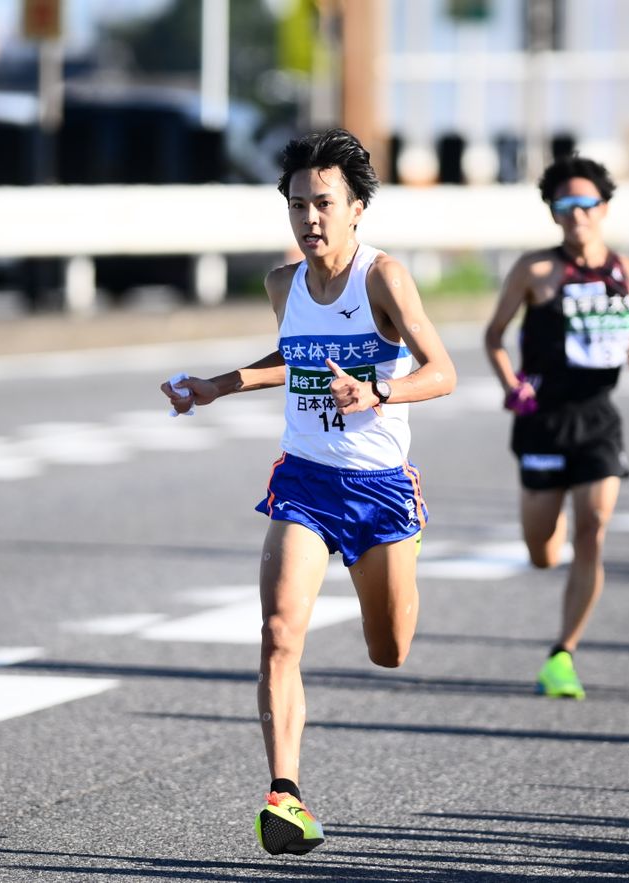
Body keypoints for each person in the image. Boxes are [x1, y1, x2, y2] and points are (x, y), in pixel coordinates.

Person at [161, 128, 456, 856]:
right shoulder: (283, 283)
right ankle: (284, 796)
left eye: (324, 203)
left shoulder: (383, 278)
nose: (310, 219)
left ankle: (400, 559)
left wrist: (378, 390)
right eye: (298, 204)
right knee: (278, 634)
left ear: (357, 207)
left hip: (382, 488)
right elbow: (292, 357)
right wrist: (216, 386)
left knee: (389, 649)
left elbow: (443, 370)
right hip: (306, 480)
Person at [483, 154, 629, 700]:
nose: (577, 214)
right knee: (542, 552)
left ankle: (563, 653)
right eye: (565, 205)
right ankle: (547, 539)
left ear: (604, 208)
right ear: (554, 213)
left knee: (593, 528)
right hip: (542, 423)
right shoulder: (535, 271)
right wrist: (512, 383)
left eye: (587, 204)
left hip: (598, 421)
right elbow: (494, 336)